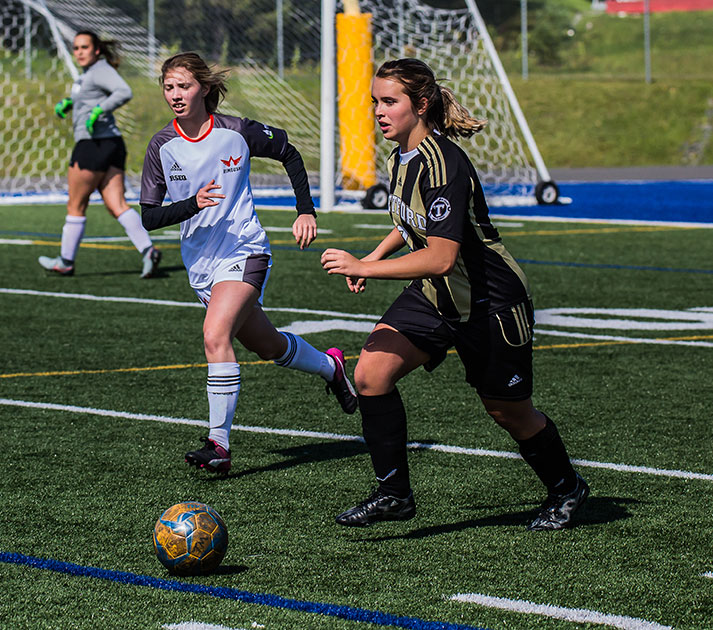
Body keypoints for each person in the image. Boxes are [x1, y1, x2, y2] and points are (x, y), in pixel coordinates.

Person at [320, 58, 589, 531]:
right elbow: (411, 224)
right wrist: (375, 254)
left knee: (509, 413)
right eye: (375, 102)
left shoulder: (444, 165)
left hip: (491, 303)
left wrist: (366, 267)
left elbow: (443, 255)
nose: (379, 112)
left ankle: (567, 488)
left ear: (420, 104)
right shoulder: (400, 153)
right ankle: (394, 494)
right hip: (436, 296)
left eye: (390, 102)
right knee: (371, 374)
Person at [139, 52, 357, 474]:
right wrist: (191, 204)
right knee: (269, 346)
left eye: (183, 86)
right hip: (201, 266)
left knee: (215, 333)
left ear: (203, 87)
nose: (175, 95)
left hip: (245, 251)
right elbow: (148, 216)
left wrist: (305, 210)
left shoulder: (236, 131)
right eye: (168, 87)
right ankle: (332, 367)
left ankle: (218, 444)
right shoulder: (161, 146)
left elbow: (290, 153)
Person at [38, 30, 162, 279]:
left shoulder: (100, 70)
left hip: (92, 145)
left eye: (84, 47)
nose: (79, 52)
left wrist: (98, 110)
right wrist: (72, 103)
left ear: (96, 50)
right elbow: (95, 95)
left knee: (75, 205)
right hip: (112, 144)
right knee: (117, 205)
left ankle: (65, 261)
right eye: (76, 48)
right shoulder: (89, 75)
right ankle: (148, 250)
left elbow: (123, 91)